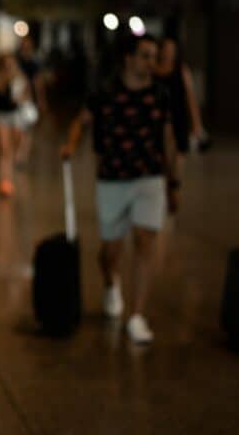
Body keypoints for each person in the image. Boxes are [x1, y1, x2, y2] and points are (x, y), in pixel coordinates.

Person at [60, 34, 179, 344]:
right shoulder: (105, 93)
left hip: (150, 177)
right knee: (111, 250)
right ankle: (111, 282)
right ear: (129, 59)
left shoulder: (161, 95)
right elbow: (81, 122)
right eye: (145, 56)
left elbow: (168, 140)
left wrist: (173, 180)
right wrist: (71, 144)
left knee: (144, 240)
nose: (151, 63)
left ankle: (137, 316)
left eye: (154, 57)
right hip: (112, 178)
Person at [154, 37, 208, 170]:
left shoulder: (182, 70)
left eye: (171, 50)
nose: (168, 53)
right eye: (165, 49)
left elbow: (190, 98)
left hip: (178, 116)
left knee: (178, 156)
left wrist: (197, 124)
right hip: (159, 117)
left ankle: (174, 183)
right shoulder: (153, 70)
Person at [0, 53, 34, 197]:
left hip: (16, 115)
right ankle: (5, 180)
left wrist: (20, 98)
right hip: (0, 115)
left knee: (14, 146)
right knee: (4, 148)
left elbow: (28, 95)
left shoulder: (21, 78)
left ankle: (10, 175)